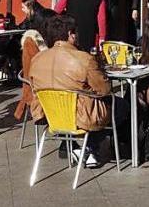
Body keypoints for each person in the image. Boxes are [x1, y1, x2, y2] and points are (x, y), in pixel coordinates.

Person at [29, 14, 129, 168]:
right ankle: (91, 147)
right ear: (70, 34)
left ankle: (75, 147)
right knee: (121, 105)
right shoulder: (84, 58)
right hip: (82, 117)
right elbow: (104, 89)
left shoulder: (36, 60)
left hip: (51, 116)